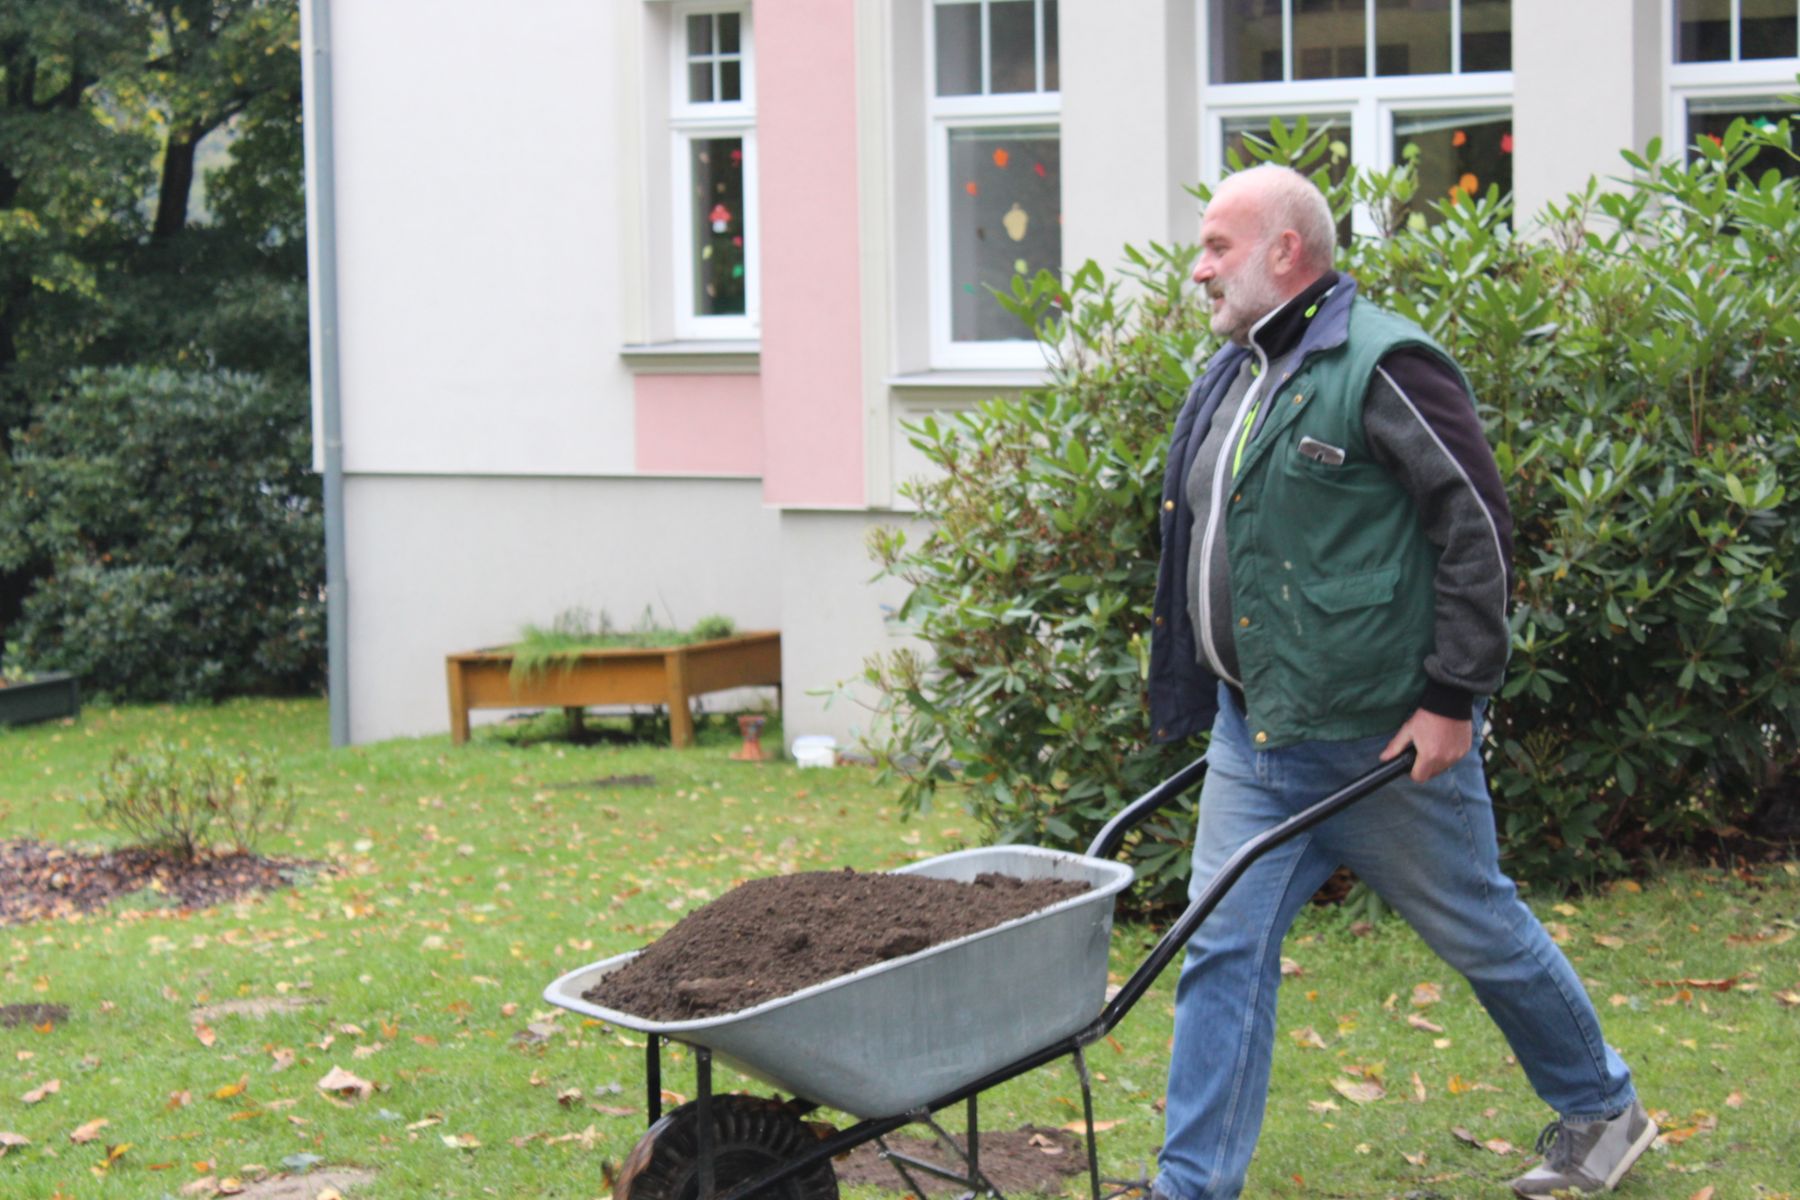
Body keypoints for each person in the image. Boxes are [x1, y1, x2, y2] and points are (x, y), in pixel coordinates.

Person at [1145, 164, 1655, 1200]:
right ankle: (1189, 1189)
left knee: (1482, 930)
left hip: (1379, 742)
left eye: (1217, 247)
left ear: (1285, 250)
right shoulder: (1239, 372)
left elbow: (1475, 529)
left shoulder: (1384, 363)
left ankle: (1604, 1110)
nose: (1199, 269)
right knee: (1220, 953)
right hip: (1256, 733)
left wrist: (1453, 698)